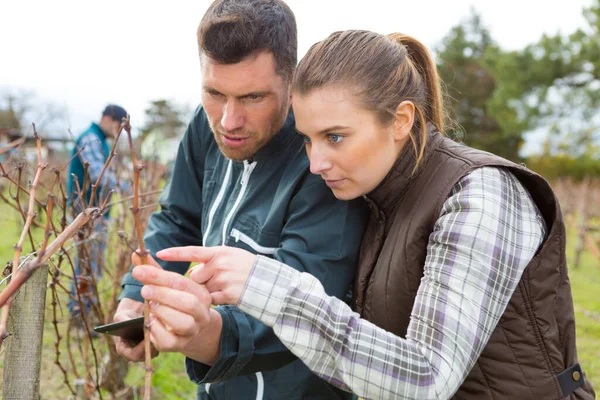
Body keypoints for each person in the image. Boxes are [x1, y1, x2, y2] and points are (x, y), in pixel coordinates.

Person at [135, 30, 596, 399]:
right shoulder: (376, 199)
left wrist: (271, 287)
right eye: (308, 140)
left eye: (335, 137)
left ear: (401, 121)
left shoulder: (482, 195)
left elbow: (426, 380)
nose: (315, 164)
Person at [114, 2, 367, 399]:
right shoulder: (205, 124)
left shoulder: (322, 161)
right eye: (214, 92)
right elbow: (178, 217)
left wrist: (207, 333)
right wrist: (136, 296)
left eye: (252, 97)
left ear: (291, 80)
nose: (228, 121)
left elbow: (311, 304)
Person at [67, 104, 129, 318]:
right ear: (111, 121)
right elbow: (97, 174)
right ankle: (79, 313)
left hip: (90, 212)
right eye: (118, 128)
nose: (118, 134)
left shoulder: (97, 138)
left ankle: (81, 310)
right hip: (87, 213)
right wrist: (127, 188)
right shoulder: (92, 138)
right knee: (88, 264)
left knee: (88, 263)